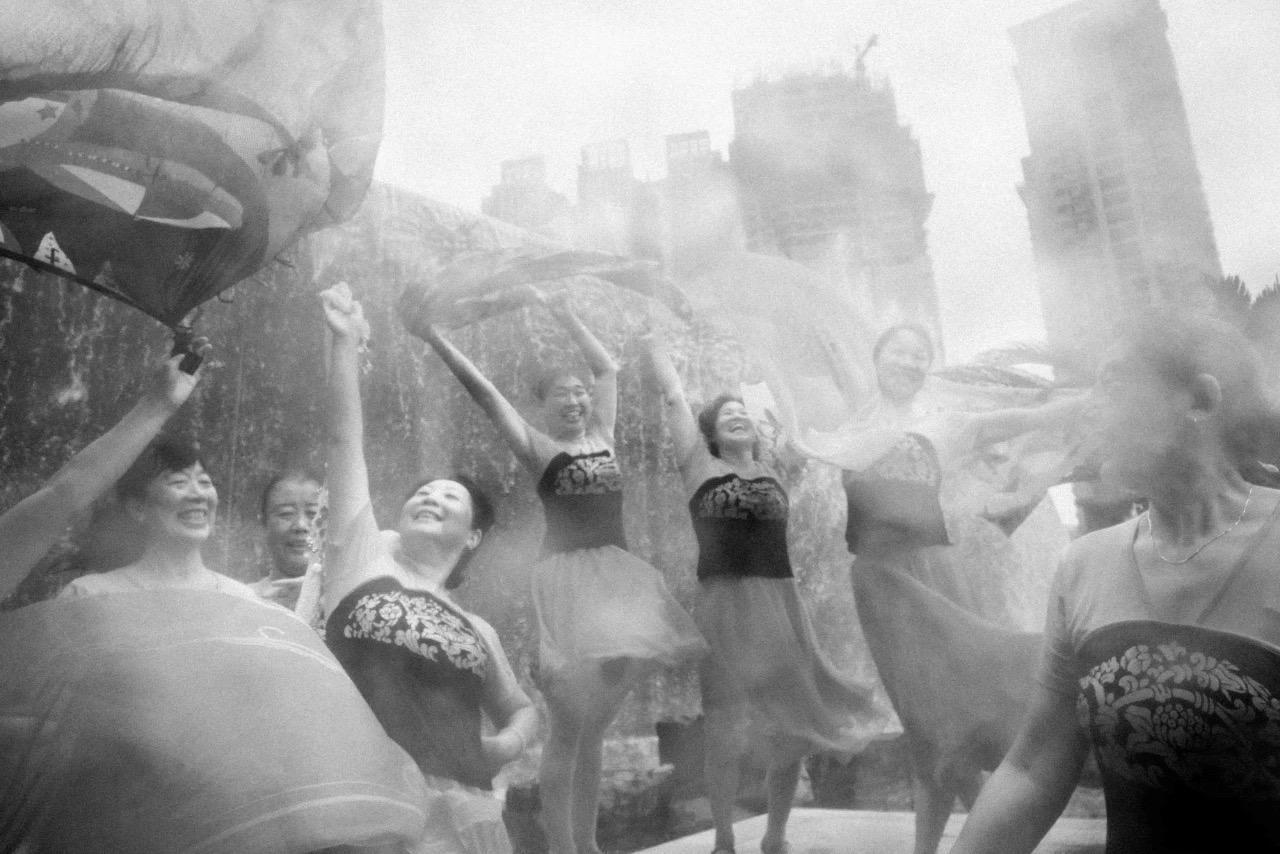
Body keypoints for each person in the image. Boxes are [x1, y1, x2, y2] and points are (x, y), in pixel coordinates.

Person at [0, 343, 430, 854]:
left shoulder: (246, 602)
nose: (198, 492)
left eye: (204, 481)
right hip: (138, 807)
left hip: (236, 815)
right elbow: (68, 725)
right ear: (137, 509)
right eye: (178, 482)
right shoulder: (91, 597)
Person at [952, 312, 1280, 854]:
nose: (1088, 409)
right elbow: (1033, 769)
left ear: (1200, 400)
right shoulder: (1085, 566)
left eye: (1112, 385)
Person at [403, 285, 707, 854]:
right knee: (568, 726)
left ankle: (587, 847)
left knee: (596, 729)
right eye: (561, 394)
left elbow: (607, 368)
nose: (574, 400)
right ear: (542, 407)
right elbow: (485, 393)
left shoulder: (604, 437)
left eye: (578, 392)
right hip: (568, 586)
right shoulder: (538, 446)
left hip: (620, 586)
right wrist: (438, 339)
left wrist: (563, 311)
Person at [794, 323, 1086, 854]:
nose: (909, 362)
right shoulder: (853, 427)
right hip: (878, 586)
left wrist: (1089, 402)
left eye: (919, 355)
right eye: (900, 352)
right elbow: (824, 366)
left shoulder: (944, 423)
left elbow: (1026, 419)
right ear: (876, 358)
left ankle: (970, 836)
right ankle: (984, 834)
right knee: (928, 724)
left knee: (947, 716)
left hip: (930, 577)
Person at [321, 283, 538, 854]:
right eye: (423, 492)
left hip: (462, 810)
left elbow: (518, 707)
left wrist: (508, 745)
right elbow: (344, 442)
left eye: (450, 497)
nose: (431, 497)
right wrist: (343, 344)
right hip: (362, 795)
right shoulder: (359, 559)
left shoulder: (476, 628)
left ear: (473, 536)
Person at [645, 333, 876, 854]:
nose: (736, 417)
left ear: (755, 427)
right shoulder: (697, 465)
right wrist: (656, 346)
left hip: (779, 602)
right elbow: (675, 398)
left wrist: (771, 353)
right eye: (725, 415)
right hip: (723, 605)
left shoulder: (777, 468)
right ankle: (725, 838)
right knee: (724, 725)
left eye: (742, 413)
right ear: (710, 433)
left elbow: (797, 418)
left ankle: (775, 834)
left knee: (790, 724)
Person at [251, 470, 326, 625]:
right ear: (263, 524)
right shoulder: (244, 599)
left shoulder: (346, 600)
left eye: (312, 513)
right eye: (286, 514)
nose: (301, 526)